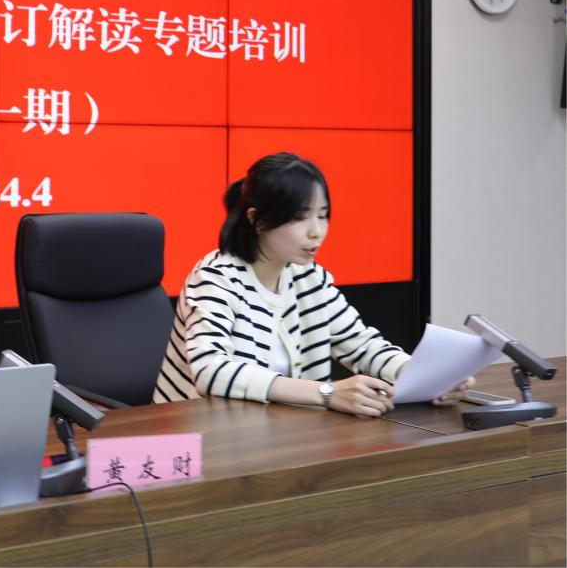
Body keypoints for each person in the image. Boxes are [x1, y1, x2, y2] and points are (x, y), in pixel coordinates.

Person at [153, 152, 472, 415]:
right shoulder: (216, 276)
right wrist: (327, 393)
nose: (316, 231)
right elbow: (210, 371)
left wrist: (425, 376)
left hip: (280, 437)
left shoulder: (308, 277)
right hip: (198, 443)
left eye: (323, 215)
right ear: (256, 219)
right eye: (300, 217)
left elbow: (361, 345)